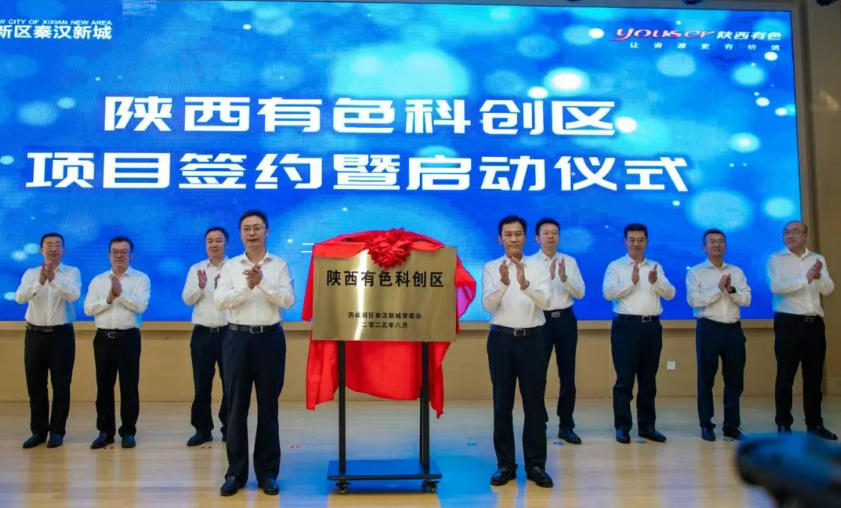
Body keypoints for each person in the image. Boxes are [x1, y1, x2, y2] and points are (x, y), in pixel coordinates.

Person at [215, 210, 294, 496]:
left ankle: (267, 473)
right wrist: (247, 287)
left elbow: (288, 300)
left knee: (268, 408)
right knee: (236, 408)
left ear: (267, 231)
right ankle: (235, 473)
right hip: (237, 339)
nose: (252, 233)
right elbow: (221, 301)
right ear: (240, 234)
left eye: (257, 228)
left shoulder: (279, 265)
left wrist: (262, 282)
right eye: (246, 228)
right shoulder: (230, 266)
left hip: (270, 339)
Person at [482, 215, 554, 488]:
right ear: (500, 238)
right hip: (501, 340)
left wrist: (524, 284)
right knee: (502, 404)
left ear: (525, 237)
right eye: (508, 234)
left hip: (533, 340)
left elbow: (547, 301)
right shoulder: (491, 267)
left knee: (535, 404)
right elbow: (488, 306)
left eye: (518, 234)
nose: (513, 238)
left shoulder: (539, 266)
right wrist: (503, 283)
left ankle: (536, 465)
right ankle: (505, 465)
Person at [602, 223, 675, 444]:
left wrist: (655, 282)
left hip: (651, 327)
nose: (636, 244)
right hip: (625, 327)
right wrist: (631, 282)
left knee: (648, 380)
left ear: (647, 242)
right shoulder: (615, 266)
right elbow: (608, 293)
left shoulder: (655, 267)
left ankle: (647, 426)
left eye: (640, 240)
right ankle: (622, 427)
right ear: (625, 241)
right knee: (624, 380)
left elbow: (670, 294)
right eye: (632, 240)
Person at [768, 220, 836, 440]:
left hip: (814, 324)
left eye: (795, 232)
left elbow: (829, 288)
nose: (790, 235)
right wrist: (804, 279)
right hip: (788, 323)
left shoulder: (817, 259)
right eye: (786, 232)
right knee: (785, 375)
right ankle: (783, 424)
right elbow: (776, 287)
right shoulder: (776, 259)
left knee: (814, 376)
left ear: (806, 235)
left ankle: (815, 425)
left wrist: (817, 277)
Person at [14, 233, 81, 449]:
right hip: (34, 334)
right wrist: (39, 282)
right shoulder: (31, 273)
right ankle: (38, 431)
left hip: (61, 335)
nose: (53, 249)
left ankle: (57, 431)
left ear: (64, 250)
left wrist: (53, 280)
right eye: (49, 245)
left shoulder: (72, 272)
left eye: (57, 245)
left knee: (61, 385)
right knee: (35, 384)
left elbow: (74, 296)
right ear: (41, 250)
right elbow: (19, 298)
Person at [83, 236, 150, 449]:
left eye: (124, 251)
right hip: (103, 339)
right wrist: (109, 299)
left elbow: (141, 306)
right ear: (108, 255)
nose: (119, 255)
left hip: (129, 338)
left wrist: (121, 294)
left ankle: (128, 432)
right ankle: (105, 431)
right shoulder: (98, 281)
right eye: (115, 251)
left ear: (132, 255)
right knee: (104, 387)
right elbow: (88, 309)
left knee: (129, 387)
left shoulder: (141, 279)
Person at [686, 229, 751, 442]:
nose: (717, 245)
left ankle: (732, 426)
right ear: (704, 247)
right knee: (706, 379)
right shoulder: (696, 273)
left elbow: (747, 300)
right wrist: (718, 289)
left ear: (726, 246)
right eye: (712, 242)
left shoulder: (736, 271)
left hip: (733, 330)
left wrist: (731, 290)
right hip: (709, 329)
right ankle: (706, 424)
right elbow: (694, 301)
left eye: (721, 241)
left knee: (735, 381)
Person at [529, 218, 585, 445]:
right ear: (537, 238)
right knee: (536, 374)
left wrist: (564, 278)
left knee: (567, 375)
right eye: (546, 233)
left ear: (559, 237)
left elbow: (580, 293)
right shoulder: (530, 263)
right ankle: (538, 423)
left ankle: (566, 424)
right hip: (539, 320)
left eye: (554, 233)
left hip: (565, 320)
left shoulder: (569, 261)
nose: (550, 236)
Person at [182, 227, 230, 446]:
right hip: (202, 334)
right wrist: (201, 287)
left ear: (226, 244)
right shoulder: (196, 269)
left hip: (230, 333)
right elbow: (187, 299)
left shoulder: (234, 268)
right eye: (210, 241)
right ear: (205, 245)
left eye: (218, 240)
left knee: (231, 384)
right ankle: (202, 429)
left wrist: (223, 290)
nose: (214, 244)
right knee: (201, 384)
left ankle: (229, 427)